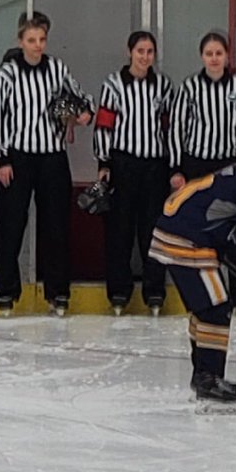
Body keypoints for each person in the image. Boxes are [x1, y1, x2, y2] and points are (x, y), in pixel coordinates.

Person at [149, 135, 236, 403]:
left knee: (206, 307)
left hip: (179, 234)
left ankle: (204, 375)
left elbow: (230, 224)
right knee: (216, 308)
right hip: (185, 241)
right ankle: (209, 378)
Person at [0, 12, 93, 316]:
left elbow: (84, 100)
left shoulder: (57, 69)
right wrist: (3, 159)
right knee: (10, 227)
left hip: (52, 158)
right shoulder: (7, 74)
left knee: (56, 227)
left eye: (42, 40)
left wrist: (80, 112)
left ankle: (58, 293)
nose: (37, 45)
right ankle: (6, 293)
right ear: (21, 41)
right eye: (31, 40)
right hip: (18, 158)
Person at [94, 31, 175, 316]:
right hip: (123, 165)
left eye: (150, 51)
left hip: (155, 167)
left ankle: (154, 292)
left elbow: (169, 129)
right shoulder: (113, 85)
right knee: (119, 232)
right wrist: (104, 164)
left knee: (153, 233)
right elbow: (103, 126)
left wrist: (173, 165)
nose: (145, 56)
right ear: (130, 52)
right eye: (140, 51)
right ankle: (119, 292)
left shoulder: (163, 86)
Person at [169, 31, 236, 189]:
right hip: (197, 165)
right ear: (202, 56)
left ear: (227, 55)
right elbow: (177, 127)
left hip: (230, 164)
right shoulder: (189, 87)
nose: (214, 58)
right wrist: (176, 168)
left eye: (219, 53)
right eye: (209, 54)